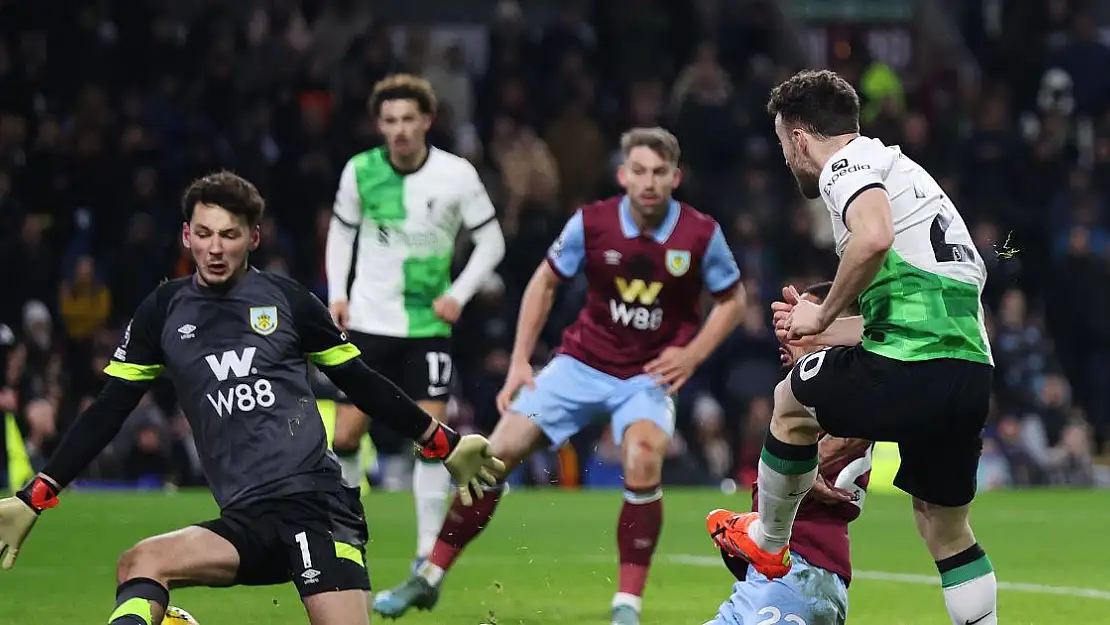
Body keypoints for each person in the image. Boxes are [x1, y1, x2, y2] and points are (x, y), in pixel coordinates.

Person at [0, 171, 505, 625]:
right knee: (139, 562)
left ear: (253, 238)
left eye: (228, 235)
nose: (214, 248)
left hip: (317, 508)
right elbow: (109, 410)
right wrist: (36, 496)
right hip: (245, 521)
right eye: (203, 235)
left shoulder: (288, 302)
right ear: (185, 237)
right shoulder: (164, 311)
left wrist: (440, 441)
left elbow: (361, 382)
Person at [373, 127, 745, 625]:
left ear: (675, 177)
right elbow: (544, 283)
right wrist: (520, 362)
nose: (649, 182)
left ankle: (626, 606)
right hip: (580, 363)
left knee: (643, 456)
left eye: (659, 172)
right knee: (494, 456)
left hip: (646, 376)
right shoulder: (591, 223)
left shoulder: (700, 233)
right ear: (622, 175)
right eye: (639, 171)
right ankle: (429, 577)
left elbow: (733, 299)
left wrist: (693, 354)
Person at [715, 69, 998, 625]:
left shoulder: (846, 165)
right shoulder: (911, 177)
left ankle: (769, 541)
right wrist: (822, 330)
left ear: (799, 137)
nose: (786, 159)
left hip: (917, 362)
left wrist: (820, 311)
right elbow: (915, 313)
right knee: (943, 528)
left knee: (789, 402)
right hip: (969, 369)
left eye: (781, 145)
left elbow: (872, 238)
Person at [326, 73, 506, 570]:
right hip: (367, 320)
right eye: (390, 120)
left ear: (426, 120)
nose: (400, 129)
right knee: (344, 436)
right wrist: (337, 294)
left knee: (431, 437)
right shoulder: (359, 171)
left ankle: (427, 550)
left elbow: (493, 243)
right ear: (379, 125)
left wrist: (459, 293)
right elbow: (340, 237)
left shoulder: (457, 175)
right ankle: (346, 531)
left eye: (408, 119)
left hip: (428, 326)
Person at [706, 281, 873, 625]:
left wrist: (812, 464)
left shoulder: (840, 388)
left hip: (801, 573)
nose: (785, 336)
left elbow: (855, 431)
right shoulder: (807, 397)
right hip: (782, 579)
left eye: (799, 325)